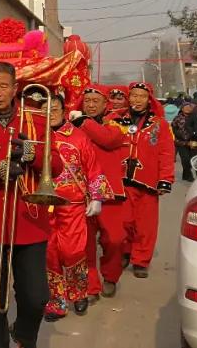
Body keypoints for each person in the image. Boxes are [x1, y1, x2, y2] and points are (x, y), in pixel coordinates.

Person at [0, 66, 63, 348]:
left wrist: (33, 153)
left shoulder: (34, 117)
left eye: (3, 86)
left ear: (14, 88)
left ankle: (24, 335)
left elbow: (56, 166)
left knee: (36, 297)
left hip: (29, 218)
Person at [43, 94, 112, 321]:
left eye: (54, 108)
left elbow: (93, 168)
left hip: (72, 206)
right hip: (41, 205)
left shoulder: (78, 137)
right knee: (49, 254)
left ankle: (78, 292)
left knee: (73, 251)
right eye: (46, 108)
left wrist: (97, 197)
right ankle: (57, 301)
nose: (50, 113)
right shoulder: (35, 134)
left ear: (64, 110)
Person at [111, 82, 175, 279]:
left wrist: (166, 178)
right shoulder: (117, 120)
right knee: (123, 222)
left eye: (141, 96)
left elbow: (166, 152)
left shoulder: (160, 124)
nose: (137, 100)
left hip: (148, 181)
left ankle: (141, 260)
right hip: (122, 179)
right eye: (133, 96)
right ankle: (125, 251)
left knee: (145, 224)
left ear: (149, 99)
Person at [71, 87, 128, 300]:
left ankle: (111, 276)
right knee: (84, 243)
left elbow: (109, 139)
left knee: (114, 239)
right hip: (81, 191)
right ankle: (91, 286)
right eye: (87, 101)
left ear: (106, 104)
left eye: (96, 101)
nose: (91, 105)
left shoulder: (116, 121)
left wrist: (84, 123)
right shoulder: (73, 122)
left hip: (109, 192)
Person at [172, 101, 197, 182]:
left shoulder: (196, 117)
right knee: (185, 159)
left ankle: (187, 175)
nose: (187, 108)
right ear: (182, 109)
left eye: (189, 107)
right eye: (185, 107)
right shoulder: (177, 118)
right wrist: (182, 137)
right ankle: (188, 175)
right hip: (181, 143)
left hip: (194, 142)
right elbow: (174, 130)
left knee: (193, 159)